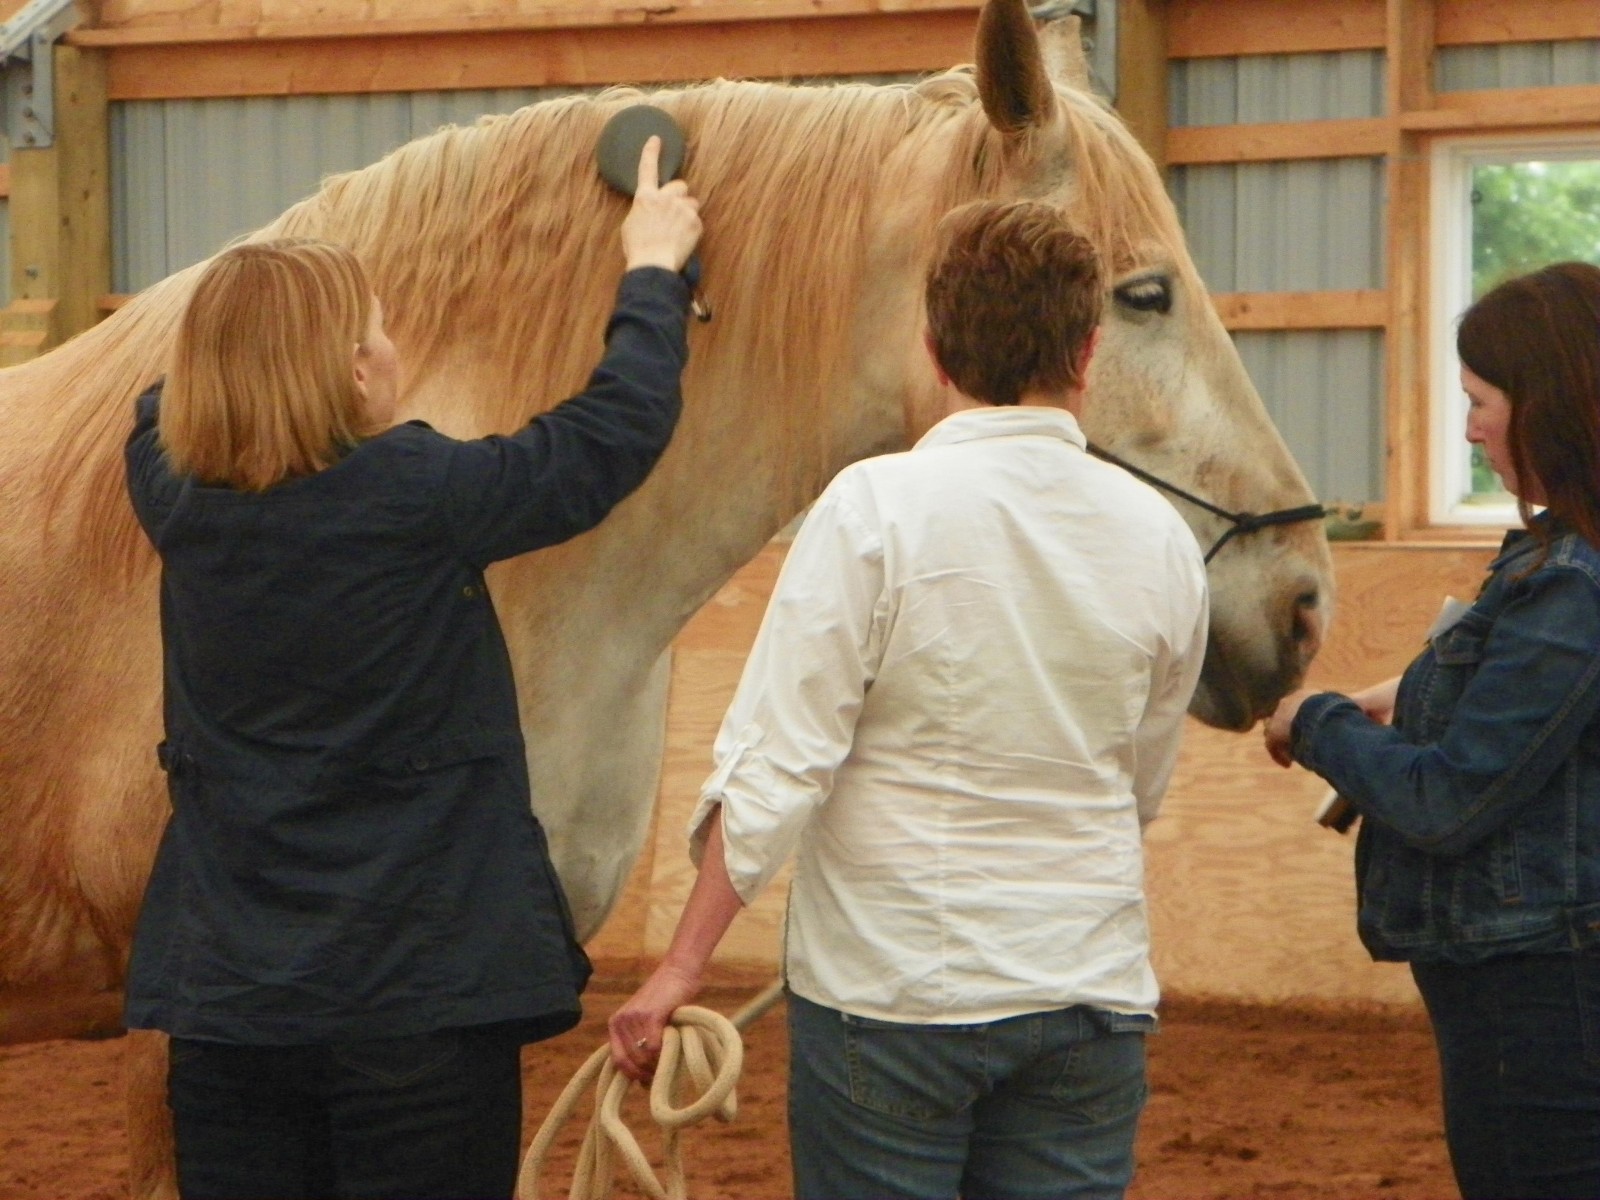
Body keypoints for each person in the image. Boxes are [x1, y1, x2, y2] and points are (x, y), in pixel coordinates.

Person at [122, 137, 701, 1200]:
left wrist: (248, 318)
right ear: (352, 370)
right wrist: (654, 271)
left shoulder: (175, 498)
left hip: (234, 1005)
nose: (393, 352)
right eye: (379, 334)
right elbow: (609, 436)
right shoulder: (419, 494)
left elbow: (159, 404)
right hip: (418, 1006)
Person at [608, 199, 1210, 1200]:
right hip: (1084, 989)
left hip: (892, 996)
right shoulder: (1158, 537)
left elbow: (779, 758)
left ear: (933, 351)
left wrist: (683, 963)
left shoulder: (870, 510)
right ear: (1089, 351)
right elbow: (1137, 779)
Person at [1264, 262, 1600, 1200]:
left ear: (1552, 402)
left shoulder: (1573, 579)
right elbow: (1548, 715)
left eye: (1482, 401)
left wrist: (1317, 719)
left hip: (1538, 992)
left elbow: (1447, 799)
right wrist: (1406, 695)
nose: (1470, 428)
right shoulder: (1565, 557)